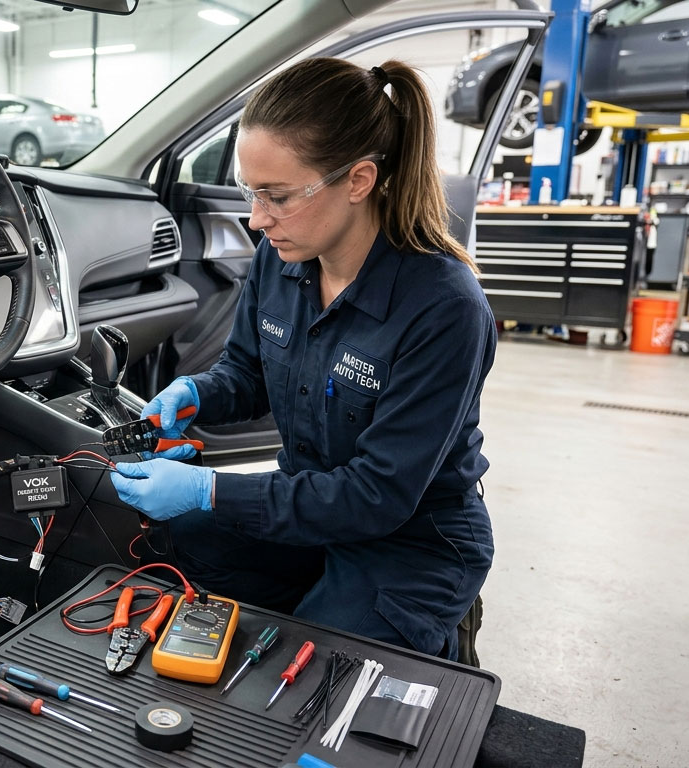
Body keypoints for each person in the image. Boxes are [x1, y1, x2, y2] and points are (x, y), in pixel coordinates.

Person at [110, 58, 496, 660]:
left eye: (278, 196)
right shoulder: (280, 259)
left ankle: (430, 635)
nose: (258, 220)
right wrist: (197, 393)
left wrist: (210, 490)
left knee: (315, 669)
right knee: (182, 540)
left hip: (409, 539)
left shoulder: (443, 307)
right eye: (250, 192)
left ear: (359, 180)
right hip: (309, 505)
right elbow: (247, 372)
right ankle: (318, 603)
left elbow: (375, 495)